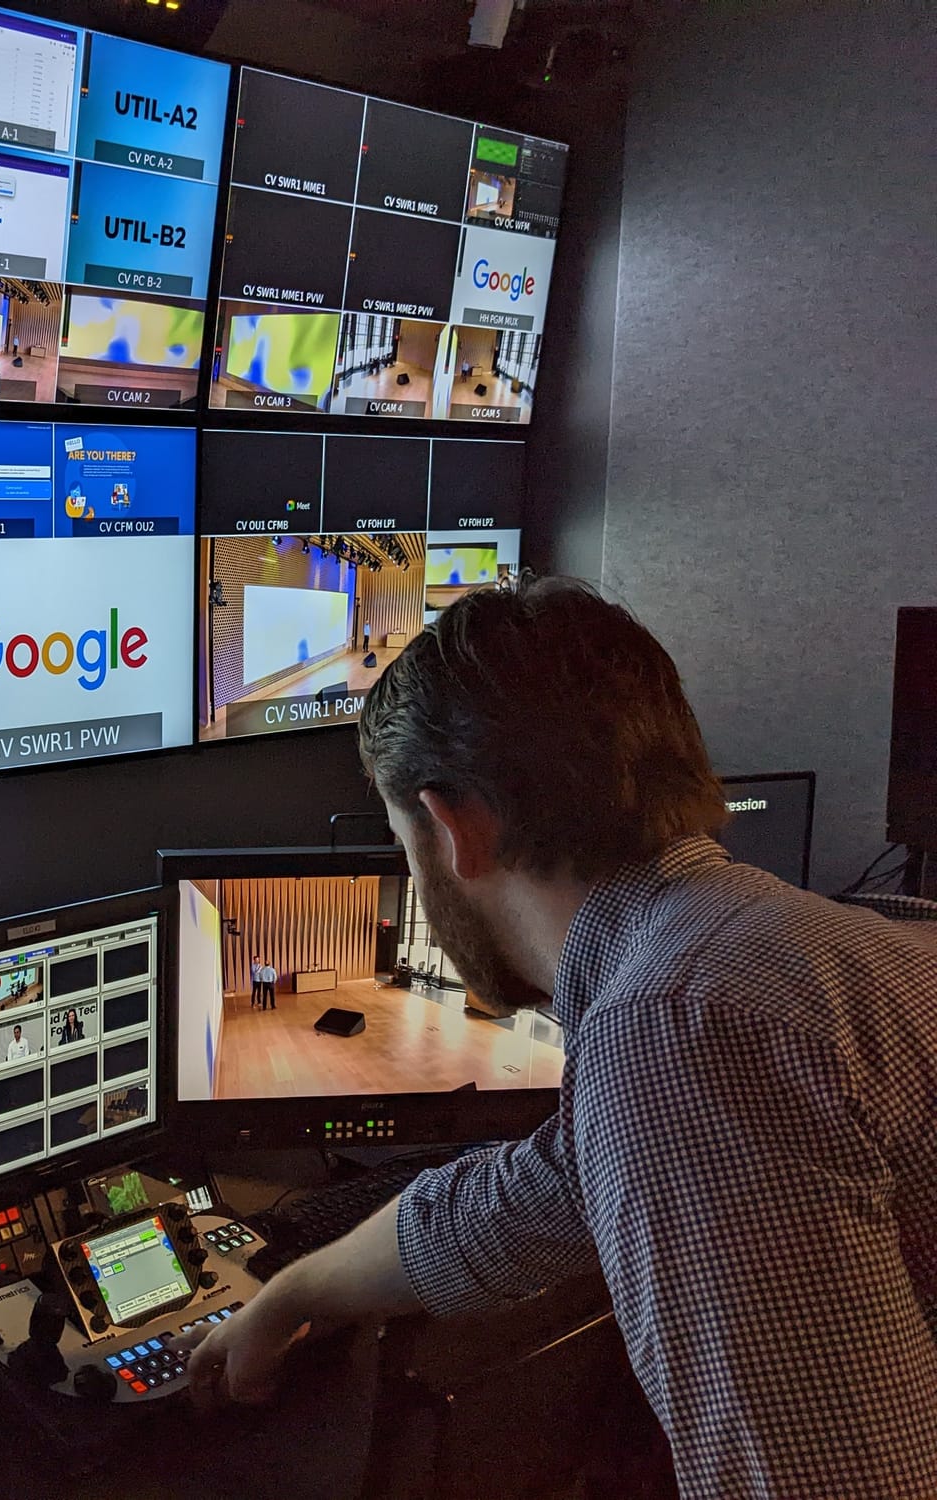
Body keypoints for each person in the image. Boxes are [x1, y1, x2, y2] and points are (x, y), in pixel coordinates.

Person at [185, 577, 937, 1498]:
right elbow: (537, 1196)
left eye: (401, 841)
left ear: (458, 828)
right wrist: (296, 1295)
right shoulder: (815, 936)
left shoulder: (676, 1023)